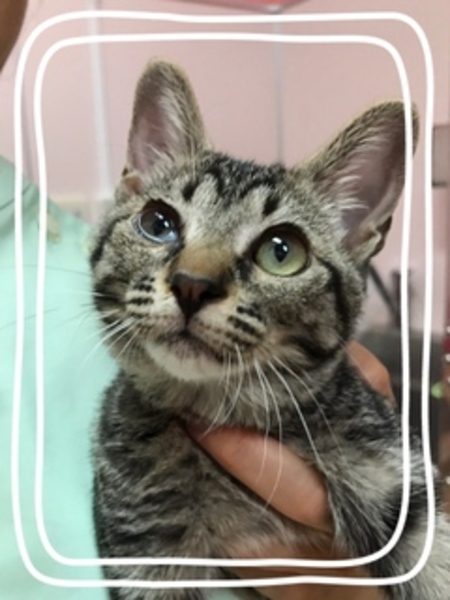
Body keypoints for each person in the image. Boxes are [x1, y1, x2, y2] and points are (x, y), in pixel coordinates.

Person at [0, 2, 391, 598]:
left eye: (279, 251)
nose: (194, 281)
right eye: (161, 223)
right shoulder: (99, 285)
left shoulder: (84, 260)